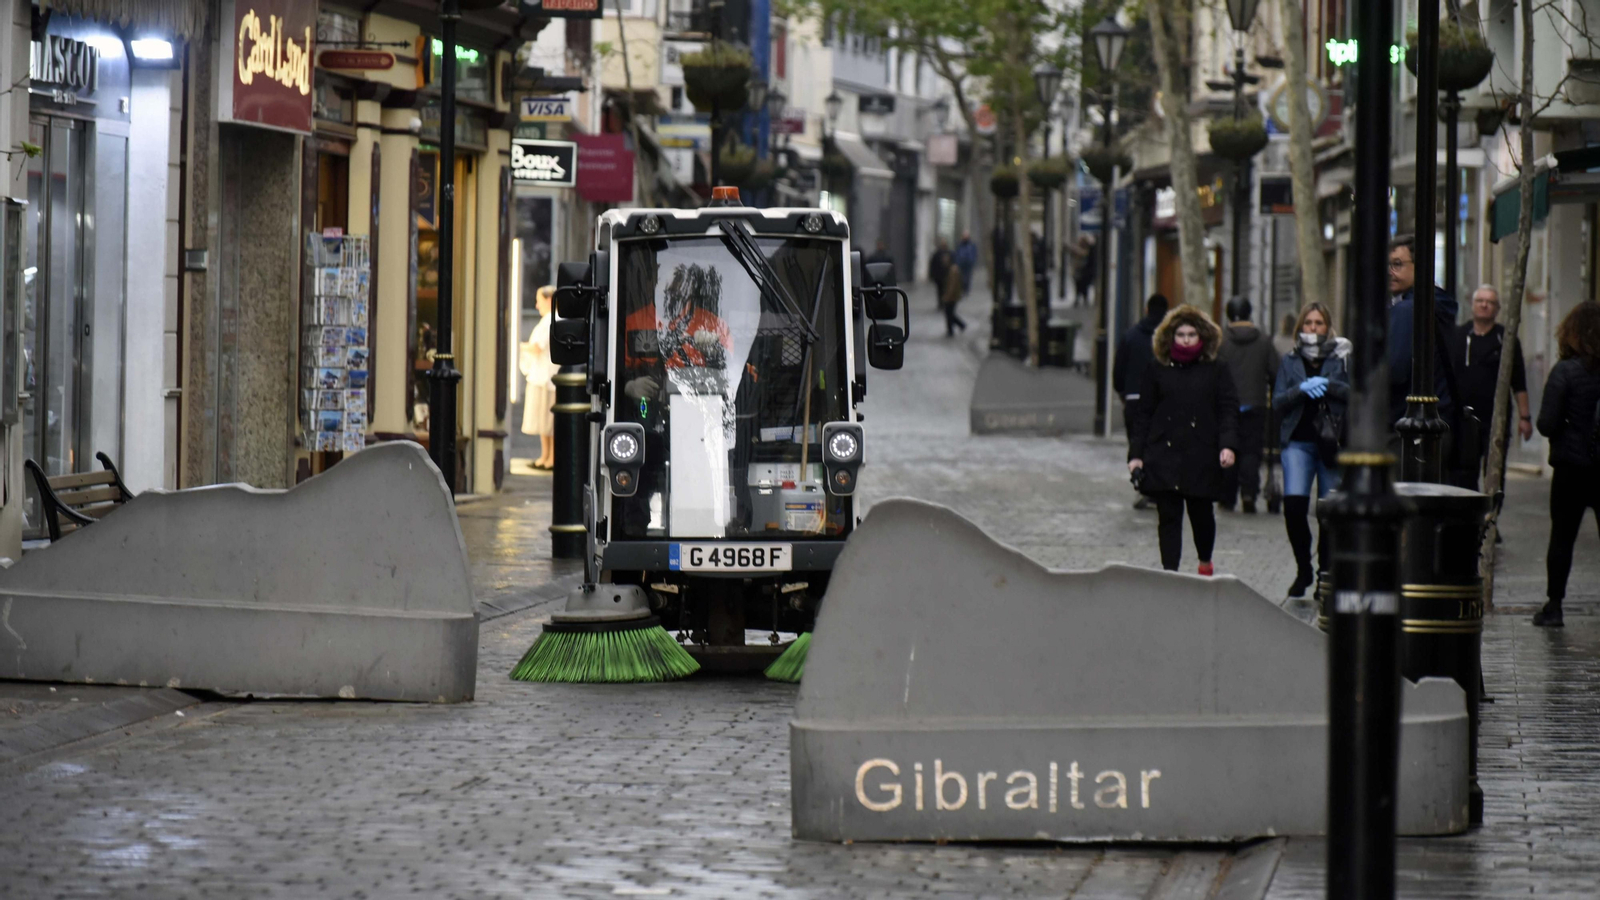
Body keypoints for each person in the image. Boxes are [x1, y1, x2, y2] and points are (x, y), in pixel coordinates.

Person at [1127, 304, 1239, 574]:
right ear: (1170, 337)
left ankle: (1204, 561)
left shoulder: (1216, 369)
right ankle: (1170, 573)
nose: (1186, 339)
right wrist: (1136, 455)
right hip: (1164, 453)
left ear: (1202, 337)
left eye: (1191, 334)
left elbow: (1228, 409)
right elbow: (1144, 413)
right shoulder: (1157, 369)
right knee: (1168, 517)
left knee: (1201, 515)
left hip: (1201, 451)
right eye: (1181, 334)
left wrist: (1228, 445)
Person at [1273, 302, 1351, 598]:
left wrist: (1328, 384)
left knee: (1329, 514)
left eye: (1319, 323)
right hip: (1298, 441)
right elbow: (1278, 401)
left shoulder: (1341, 357)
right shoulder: (1290, 360)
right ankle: (1303, 567)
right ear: (1300, 327)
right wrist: (1301, 389)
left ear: (1327, 326)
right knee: (1294, 508)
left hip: (1332, 443)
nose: (1313, 328)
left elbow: (1353, 392)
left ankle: (1324, 576)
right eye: (1308, 323)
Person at [1532, 300, 1600, 627]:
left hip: (1572, 469)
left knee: (1562, 537)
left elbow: (1546, 423)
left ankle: (1554, 606)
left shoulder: (1565, 372)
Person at [1446, 284, 1531, 484]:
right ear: (1472, 304)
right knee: (1464, 474)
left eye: (1490, 302)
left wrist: (1525, 417)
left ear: (1497, 309)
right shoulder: (1458, 336)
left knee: (1495, 472)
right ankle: (1468, 514)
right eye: (1480, 301)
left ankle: (1491, 512)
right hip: (1464, 419)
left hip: (1496, 419)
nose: (1484, 305)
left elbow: (1518, 382)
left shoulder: (1507, 340)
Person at [1387, 234, 1458, 429]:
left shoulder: (1408, 309)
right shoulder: (1437, 304)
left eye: (1398, 264)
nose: (1390, 271)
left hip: (1410, 424)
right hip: (1439, 419)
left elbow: (1393, 370)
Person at [1217, 296, 1279, 513]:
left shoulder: (1221, 341)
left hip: (1227, 406)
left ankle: (1227, 496)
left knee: (1228, 448)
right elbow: (1275, 373)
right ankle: (1249, 493)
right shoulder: (1263, 341)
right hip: (1255, 403)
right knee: (1251, 451)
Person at [1114, 293, 1170, 510]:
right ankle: (1154, 487)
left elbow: (1119, 369)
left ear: (1147, 309)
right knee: (1158, 444)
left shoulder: (1130, 336)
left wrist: (1122, 391)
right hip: (1161, 399)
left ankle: (1143, 485)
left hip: (1134, 398)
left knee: (1137, 442)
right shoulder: (1168, 338)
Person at [518, 285, 560, 469]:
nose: (536, 305)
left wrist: (519, 346)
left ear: (549, 300)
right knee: (545, 423)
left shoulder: (552, 320)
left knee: (548, 422)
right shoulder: (548, 320)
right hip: (543, 376)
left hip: (546, 377)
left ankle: (551, 457)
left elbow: (537, 347)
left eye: (539, 300)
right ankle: (545, 456)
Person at [940, 257, 967, 337]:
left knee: (949, 313)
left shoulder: (953, 270)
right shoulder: (952, 270)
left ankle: (953, 329)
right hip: (953, 296)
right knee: (949, 313)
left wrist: (947, 296)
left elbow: (952, 285)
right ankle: (958, 326)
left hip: (952, 296)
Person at [1071, 235, 1098, 308]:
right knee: (1078, 286)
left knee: (1083, 286)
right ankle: (1079, 299)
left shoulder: (1087, 250)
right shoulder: (1081, 249)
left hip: (1084, 271)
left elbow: (1083, 253)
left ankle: (1083, 299)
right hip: (1078, 271)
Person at [928, 238, 954, 302]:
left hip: (947, 276)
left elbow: (953, 264)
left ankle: (945, 301)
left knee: (946, 290)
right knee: (940, 290)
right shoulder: (937, 254)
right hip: (939, 276)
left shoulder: (949, 253)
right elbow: (933, 265)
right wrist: (932, 275)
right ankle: (941, 302)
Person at [954, 231, 978, 295]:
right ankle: (962, 289)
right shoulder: (959, 245)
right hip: (961, 263)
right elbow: (957, 253)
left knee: (967, 277)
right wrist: (957, 262)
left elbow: (974, 254)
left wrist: (972, 261)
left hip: (968, 264)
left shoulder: (971, 245)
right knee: (961, 277)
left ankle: (966, 290)